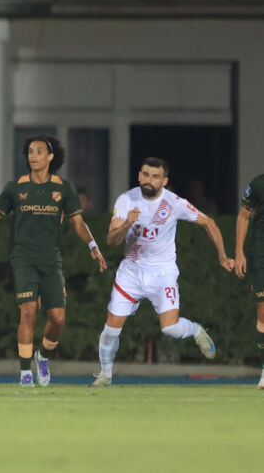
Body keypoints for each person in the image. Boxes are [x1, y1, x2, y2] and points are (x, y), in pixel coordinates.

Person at [0, 134, 106, 387]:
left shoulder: (64, 188)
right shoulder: (16, 187)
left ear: (50, 156)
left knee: (57, 319)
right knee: (28, 312)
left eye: (39, 151)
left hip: (51, 261)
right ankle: (24, 374)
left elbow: (77, 221)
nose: (33, 156)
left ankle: (42, 355)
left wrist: (93, 246)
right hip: (23, 259)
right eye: (30, 152)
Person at [91, 158, 233, 387]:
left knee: (170, 328)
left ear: (164, 181)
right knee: (110, 329)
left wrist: (222, 256)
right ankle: (105, 375)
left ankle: (196, 330)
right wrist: (127, 224)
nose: (149, 180)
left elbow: (209, 223)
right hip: (131, 273)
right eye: (145, 174)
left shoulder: (174, 203)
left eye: (155, 176)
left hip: (162, 273)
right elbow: (111, 241)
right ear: (139, 176)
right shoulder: (126, 200)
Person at [235, 172, 264, 390]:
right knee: (263, 312)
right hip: (260, 253)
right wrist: (239, 253)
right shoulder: (257, 184)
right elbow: (244, 216)